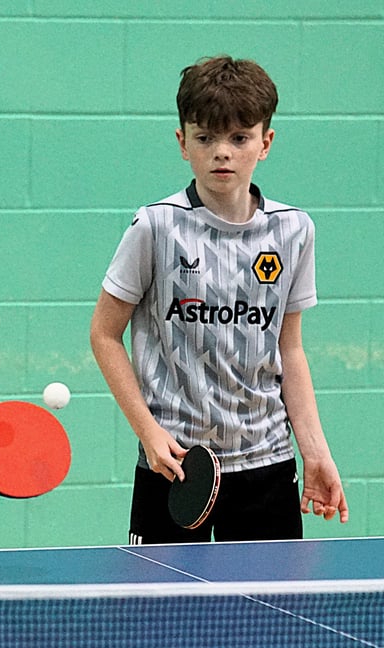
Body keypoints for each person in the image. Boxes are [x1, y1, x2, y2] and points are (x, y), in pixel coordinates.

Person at [90, 55, 348, 545]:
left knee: (272, 618)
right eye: (205, 138)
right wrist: (147, 432)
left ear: (265, 143)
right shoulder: (156, 227)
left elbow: (289, 349)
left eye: (239, 138)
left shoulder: (294, 231)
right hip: (175, 465)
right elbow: (104, 334)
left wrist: (315, 450)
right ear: (183, 142)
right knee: (162, 618)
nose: (221, 153)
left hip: (268, 464)